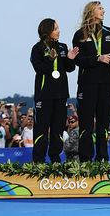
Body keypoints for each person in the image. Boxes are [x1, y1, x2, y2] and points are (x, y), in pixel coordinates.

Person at [72, 1, 110, 161]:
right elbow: (78, 59)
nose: (103, 10)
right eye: (100, 8)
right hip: (87, 84)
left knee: (103, 124)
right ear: (91, 11)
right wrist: (97, 58)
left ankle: (103, 158)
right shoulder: (80, 35)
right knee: (86, 124)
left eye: (103, 8)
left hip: (107, 83)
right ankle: (85, 159)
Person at [30, 18, 78, 162]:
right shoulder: (37, 48)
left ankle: (55, 159)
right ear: (47, 31)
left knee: (58, 130)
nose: (59, 31)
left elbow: (69, 68)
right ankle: (38, 161)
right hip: (44, 96)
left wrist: (70, 59)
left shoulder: (63, 47)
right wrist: (50, 59)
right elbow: (39, 69)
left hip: (61, 95)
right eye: (56, 28)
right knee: (42, 130)